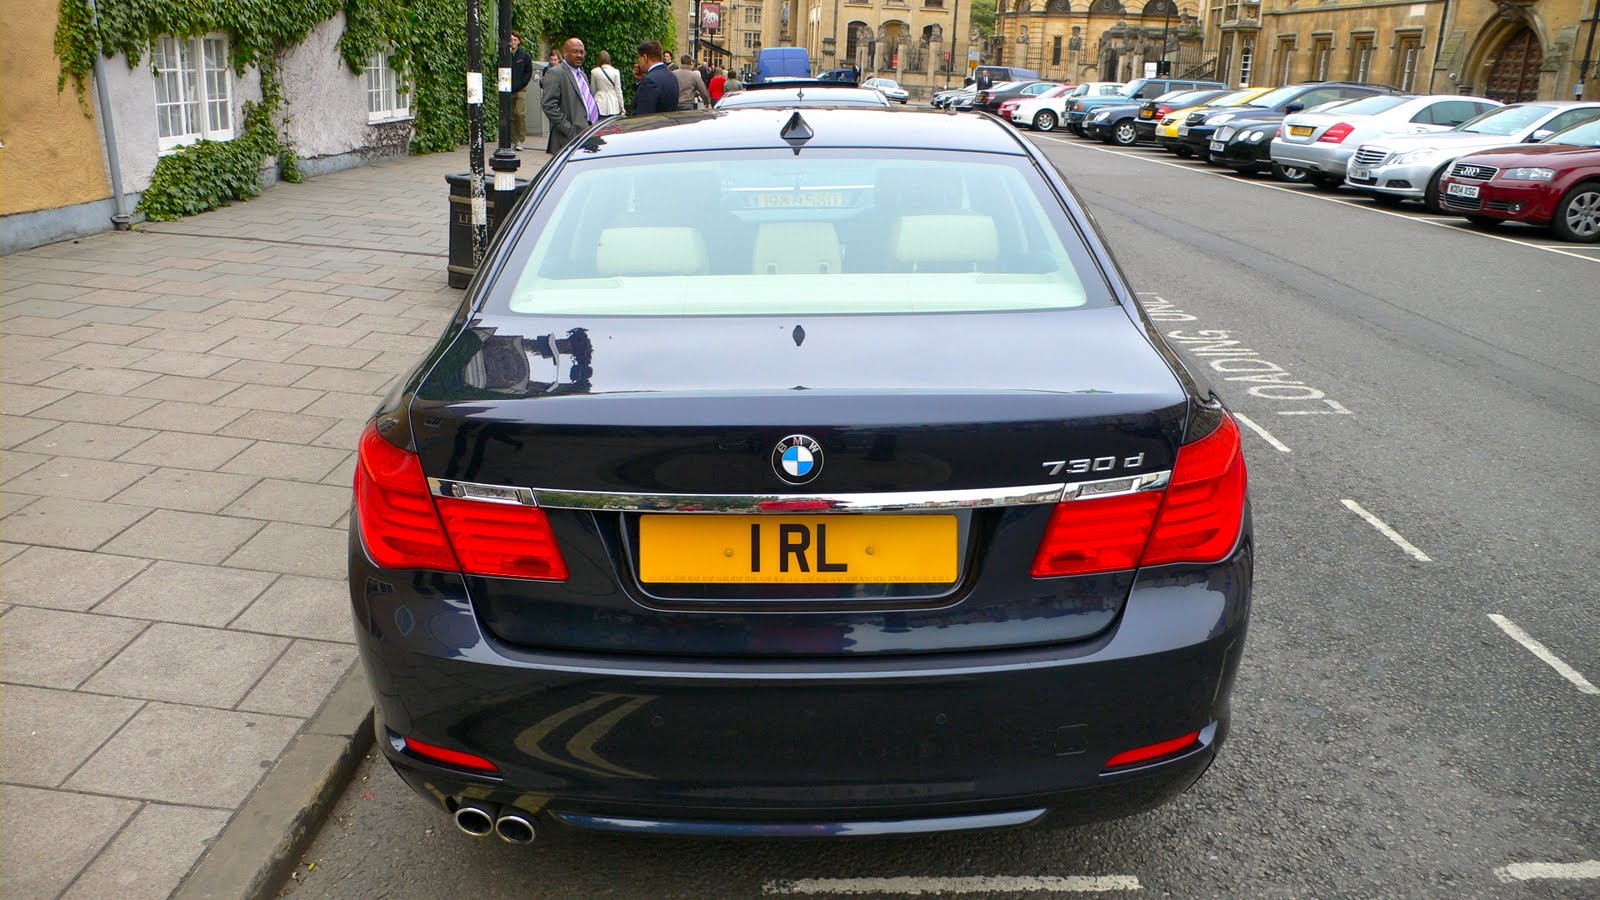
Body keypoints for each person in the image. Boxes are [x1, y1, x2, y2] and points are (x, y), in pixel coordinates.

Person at [542, 37, 601, 153]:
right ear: (565, 52)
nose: (579, 55)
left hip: (588, 135)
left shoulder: (582, 75)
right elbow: (548, 105)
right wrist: (570, 130)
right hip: (568, 140)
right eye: (574, 51)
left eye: (582, 52)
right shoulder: (555, 73)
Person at [632, 41, 679, 115]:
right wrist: (640, 80)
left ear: (645, 57)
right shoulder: (671, 75)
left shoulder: (650, 81)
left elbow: (643, 115)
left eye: (639, 58)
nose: (638, 62)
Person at [509, 30, 533, 150]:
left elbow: (528, 73)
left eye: (515, 40)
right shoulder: (505, 55)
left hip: (520, 89)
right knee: (511, 115)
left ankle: (520, 140)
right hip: (508, 89)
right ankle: (513, 139)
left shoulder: (524, 56)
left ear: (519, 41)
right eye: (511, 39)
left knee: (519, 113)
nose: (513, 42)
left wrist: (520, 85)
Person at [590, 50, 624, 118]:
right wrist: (622, 106)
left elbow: (593, 90)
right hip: (613, 104)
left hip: (599, 104)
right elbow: (618, 90)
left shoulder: (594, 72)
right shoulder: (616, 72)